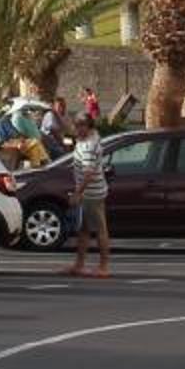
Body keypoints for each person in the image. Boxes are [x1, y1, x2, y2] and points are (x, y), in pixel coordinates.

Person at [66, 118, 113, 278]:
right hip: (90, 192)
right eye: (76, 126)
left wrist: (78, 193)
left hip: (91, 194)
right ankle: (79, 265)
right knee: (84, 230)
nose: (76, 129)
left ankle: (104, 267)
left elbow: (88, 173)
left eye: (80, 126)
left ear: (88, 127)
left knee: (100, 230)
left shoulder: (88, 145)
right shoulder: (88, 139)